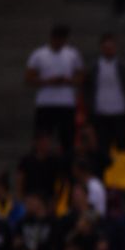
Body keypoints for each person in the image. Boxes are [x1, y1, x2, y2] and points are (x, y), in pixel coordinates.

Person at [25, 25, 83, 154]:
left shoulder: (72, 54)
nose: (60, 42)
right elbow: (29, 78)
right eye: (58, 39)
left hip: (66, 103)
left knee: (67, 139)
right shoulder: (39, 54)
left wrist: (69, 81)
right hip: (46, 102)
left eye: (63, 40)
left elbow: (80, 77)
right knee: (42, 137)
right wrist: (47, 81)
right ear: (52, 38)